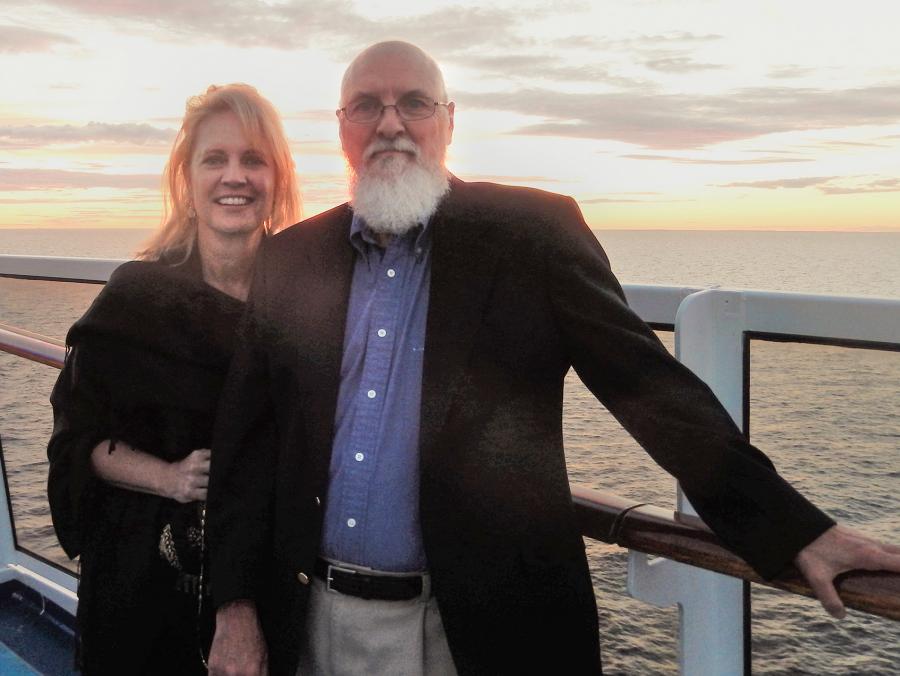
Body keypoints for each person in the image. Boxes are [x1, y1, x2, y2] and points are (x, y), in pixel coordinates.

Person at [206, 42, 900, 676]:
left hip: (479, 633)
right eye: (367, 106)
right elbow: (246, 446)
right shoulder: (290, 258)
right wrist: (233, 608)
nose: (391, 123)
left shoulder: (531, 235)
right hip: (313, 621)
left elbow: (648, 389)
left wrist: (794, 529)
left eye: (413, 103)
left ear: (448, 121)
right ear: (342, 128)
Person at [46, 83, 300, 675]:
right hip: (139, 582)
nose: (234, 176)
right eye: (215, 159)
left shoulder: (300, 304)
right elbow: (76, 440)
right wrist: (168, 477)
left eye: (253, 160)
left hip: (264, 585)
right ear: (187, 180)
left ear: (277, 179)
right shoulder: (135, 298)